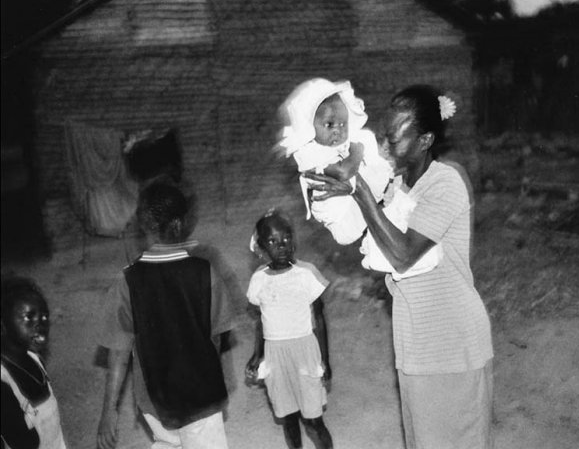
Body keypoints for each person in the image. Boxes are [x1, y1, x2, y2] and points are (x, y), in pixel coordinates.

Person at [306, 85, 494, 449]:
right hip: (415, 344)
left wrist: (359, 191)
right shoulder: (396, 185)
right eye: (385, 137)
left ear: (425, 140)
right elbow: (359, 228)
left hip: (452, 345)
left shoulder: (446, 183)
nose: (386, 146)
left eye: (395, 140)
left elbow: (403, 254)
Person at [96, 182, 236, 449]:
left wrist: (109, 411)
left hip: (154, 399)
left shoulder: (127, 279)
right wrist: (217, 378)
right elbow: (217, 338)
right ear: (178, 225)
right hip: (200, 399)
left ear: (143, 227)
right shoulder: (205, 271)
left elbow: (118, 354)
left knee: (167, 443)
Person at [279, 77, 442, 280]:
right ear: (310, 128)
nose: (338, 130)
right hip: (339, 218)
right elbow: (344, 172)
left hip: (354, 211)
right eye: (329, 125)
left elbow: (363, 179)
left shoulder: (441, 183)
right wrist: (358, 151)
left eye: (342, 123)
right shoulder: (309, 152)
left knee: (380, 176)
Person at [245, 209, 333, 449]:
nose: (281, 245)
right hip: (275, 355)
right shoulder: (259, 280)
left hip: (304, 351)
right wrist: (257, 354)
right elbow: (262, 321)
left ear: (293, 241)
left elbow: (320, 319)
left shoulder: (306, 274)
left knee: (313, 419)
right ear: (262, 247)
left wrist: (325, 360)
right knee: (289, 418)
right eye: (272, 241)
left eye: (285, 238)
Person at [1, 276, 67, 449]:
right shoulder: (4, 382)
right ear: (3, 323)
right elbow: (24, 443)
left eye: (45, 316)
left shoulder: (34, 359)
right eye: (29, 317)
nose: (40, 323)